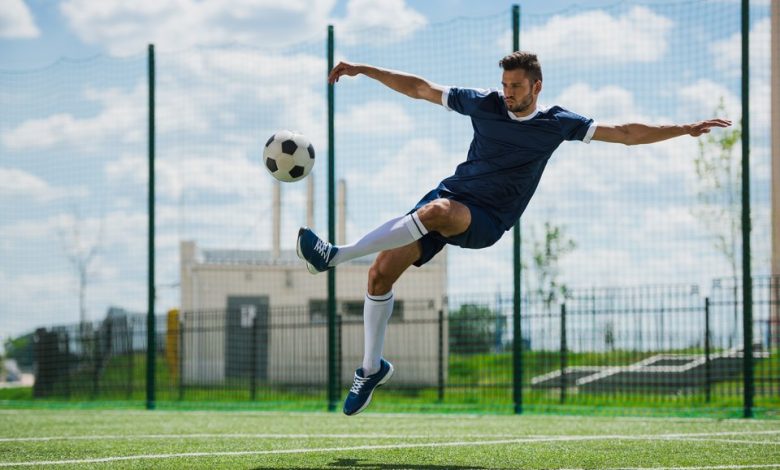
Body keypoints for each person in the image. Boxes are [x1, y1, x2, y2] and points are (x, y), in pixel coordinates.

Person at [296, 51, 731, 416]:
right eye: (504, 84)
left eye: (517, 86)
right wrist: (364, 70)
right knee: (379, 276)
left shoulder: (558, 124)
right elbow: (420, 88)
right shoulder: (483, 104)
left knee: (436, 211)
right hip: (447, 201)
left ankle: (334, 255)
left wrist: (683, 129)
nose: (508, 92)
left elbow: (625, 133)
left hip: (485, 218)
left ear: (536, 87)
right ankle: (371, 368)